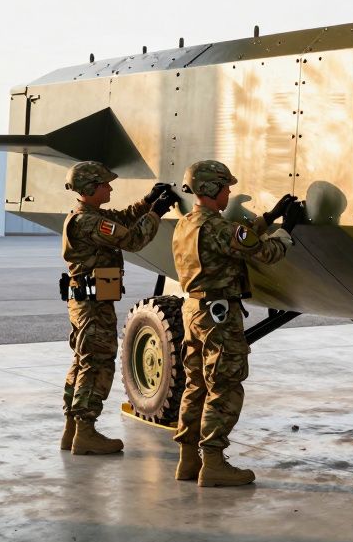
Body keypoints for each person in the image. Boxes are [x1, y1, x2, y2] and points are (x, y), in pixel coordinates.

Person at [171, 160, 298, 487]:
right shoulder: (217, 227)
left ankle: (188, 460)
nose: (229, 192)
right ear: (212, 189)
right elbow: (266, 253)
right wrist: (286, 231)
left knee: (196, 383)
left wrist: (267, 219)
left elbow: (235, 240)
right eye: (225, 187)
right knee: (224, 386)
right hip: (218, 316)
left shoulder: (187, 223)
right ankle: (213, 463)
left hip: (194, 311)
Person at [60, 161, 177, 455]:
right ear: (90, 188)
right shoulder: (87, 221)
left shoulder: (89, 215)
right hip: (93, 305)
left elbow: (122, 219)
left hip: (88, 301)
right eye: (104, 184)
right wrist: (157, 214)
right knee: (96, 363)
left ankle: (72, 430)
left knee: (83, 361)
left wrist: (147, 202)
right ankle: (85, 432)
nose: (110, 188)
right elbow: (132, 239)